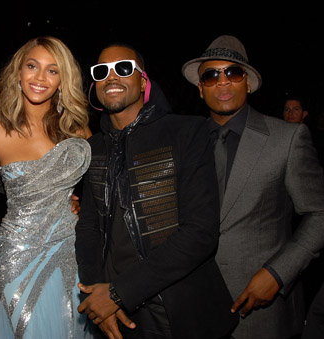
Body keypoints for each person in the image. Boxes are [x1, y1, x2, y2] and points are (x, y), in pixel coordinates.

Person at [75, 43, 239, 339]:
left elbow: (200, 232)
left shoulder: (185, 132)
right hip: (114, 315)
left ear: (142, 81)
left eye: (123, 68)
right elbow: (88, 227)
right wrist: (95, 294)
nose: (111, 77)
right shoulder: (93, 148)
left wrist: (117, 293)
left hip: (175, 310)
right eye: (101, 71)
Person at [181, 34, 324, 339]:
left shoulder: (287, 139)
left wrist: (278, 273)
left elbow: (321, 215)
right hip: (193, 308)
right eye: (211, 75)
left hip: (263, 314)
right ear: (200, 88)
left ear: (247, 82)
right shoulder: (184, 142)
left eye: (233, 73)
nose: (223, 82)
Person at [0, 36, 93, 339]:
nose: (40, 78)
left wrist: (80, 202)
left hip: (70, 254)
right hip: (17, 256)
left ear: (63, 79)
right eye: (32, 66)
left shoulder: (78, 131)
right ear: (18, 73)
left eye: (52, 70)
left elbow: (99, 192)